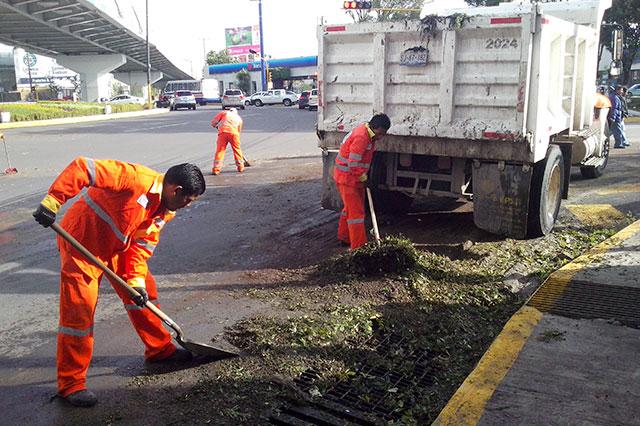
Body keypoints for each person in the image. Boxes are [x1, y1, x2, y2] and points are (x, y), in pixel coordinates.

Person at [32, 158, 206, 407]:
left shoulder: (166, 210)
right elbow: (84, 168)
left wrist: (135, 283)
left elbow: (141, 246)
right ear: (175, 190)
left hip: (117, 247)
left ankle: (159, 350)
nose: (186, 206)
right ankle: (71, 384)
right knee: (78, 315)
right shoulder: (134, 179)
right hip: (82, 244)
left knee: (144, 293)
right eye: (187, 201)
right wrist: (53, 201)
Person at [334, 113, 391, 250]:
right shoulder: (362, 137)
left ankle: (344, 237)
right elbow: (353, 164)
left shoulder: (369, 135)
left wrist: (364, 177)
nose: (381, 136)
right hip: (348, 179)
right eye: (381, 133)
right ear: (375, 127)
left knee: (349, 209)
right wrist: (364, 178)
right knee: (356, 214)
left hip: (352, 178)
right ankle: (359, 248)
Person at [210, 107, 244, 175]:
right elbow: (239, 130)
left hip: (223, 133)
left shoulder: (224, 113)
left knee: (220, 150)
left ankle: (216, 170)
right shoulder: (239, 119)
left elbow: (214, 122)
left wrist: (215, 126)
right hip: (234, 134)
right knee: (237, 149)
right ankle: (240, 167)